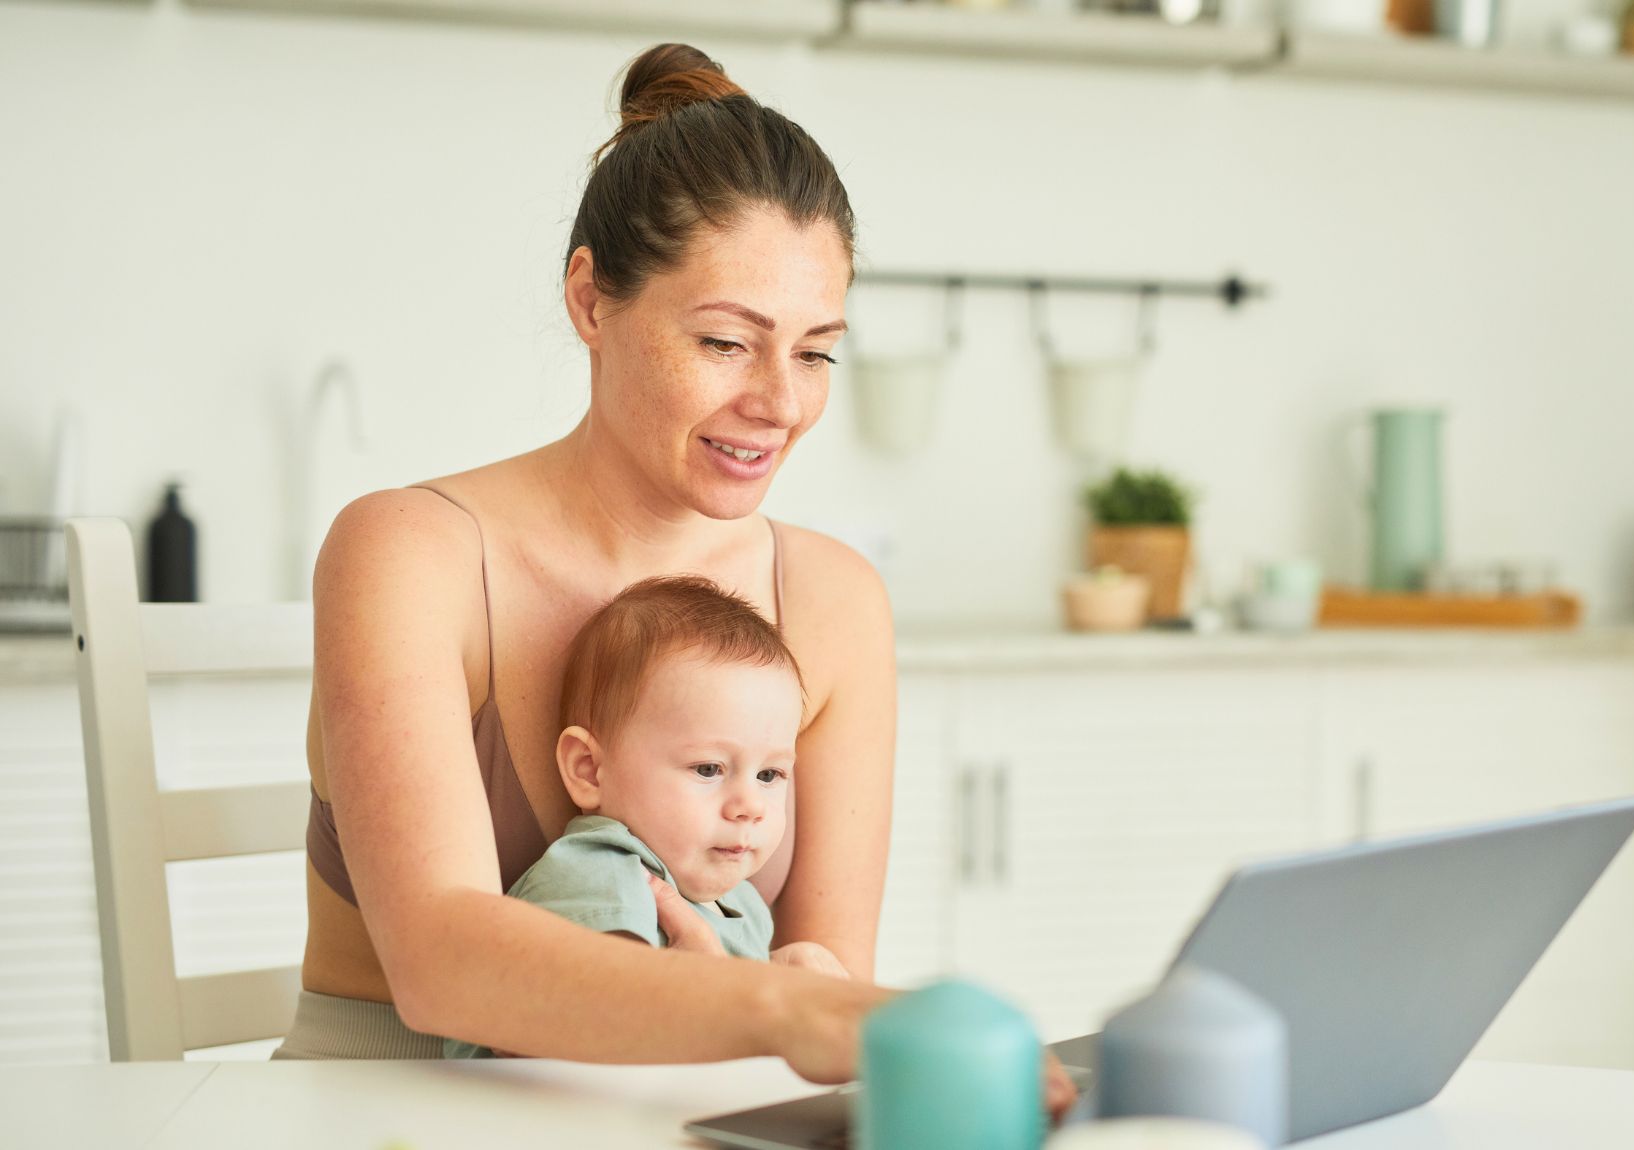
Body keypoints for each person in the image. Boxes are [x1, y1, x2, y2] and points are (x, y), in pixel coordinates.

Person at [285, 39, 1074, 1114]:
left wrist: (825, 1007)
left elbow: (820, 978)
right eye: (724, 341)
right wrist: (773, 1009)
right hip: (386, 1116)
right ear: (590, 300)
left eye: (815, 352)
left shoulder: (834, 602)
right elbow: (439, 962)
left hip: (692, 1114)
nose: (781, 403)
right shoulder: (408, 553)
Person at [445, 575, 827, 1059]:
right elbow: (548, 1043)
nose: (749, 805)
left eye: (770, 775)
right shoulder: (603, 874)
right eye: (709, 768)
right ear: (589, 770)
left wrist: (787, 988)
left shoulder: (739, 903)